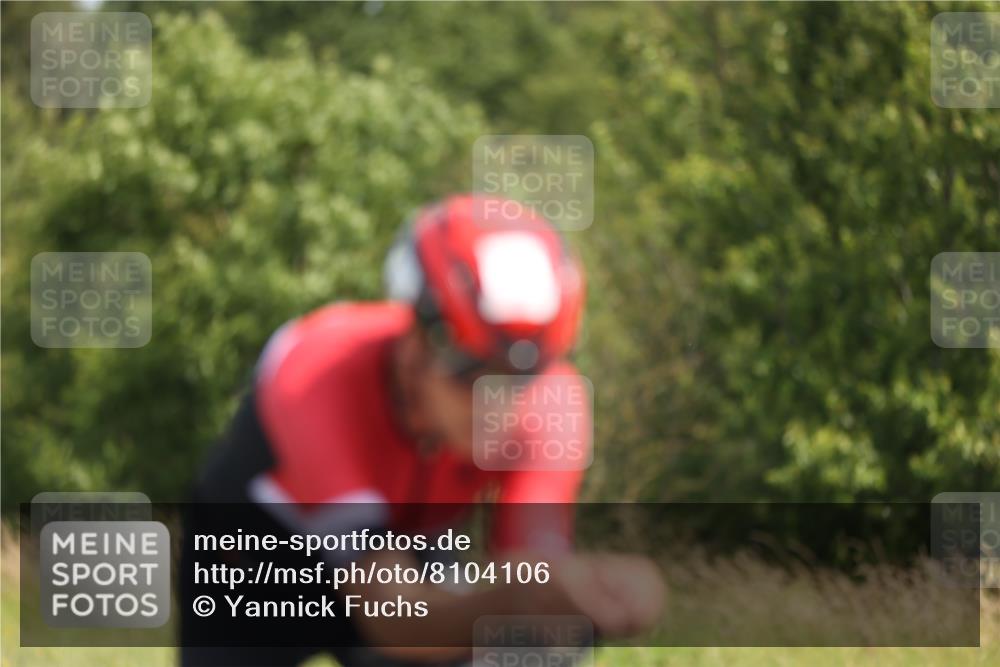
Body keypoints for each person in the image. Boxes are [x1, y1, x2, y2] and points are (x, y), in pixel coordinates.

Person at [180, 195, 663, 666]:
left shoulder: (552, 403)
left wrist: (585, 593)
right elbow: (394, 618)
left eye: (523, 380)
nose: (501, 405)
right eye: (474, 374)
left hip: (406, 550)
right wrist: (520, 599)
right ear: (414, 347)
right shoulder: (316, 374)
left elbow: (529, 576)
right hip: (258, 563)